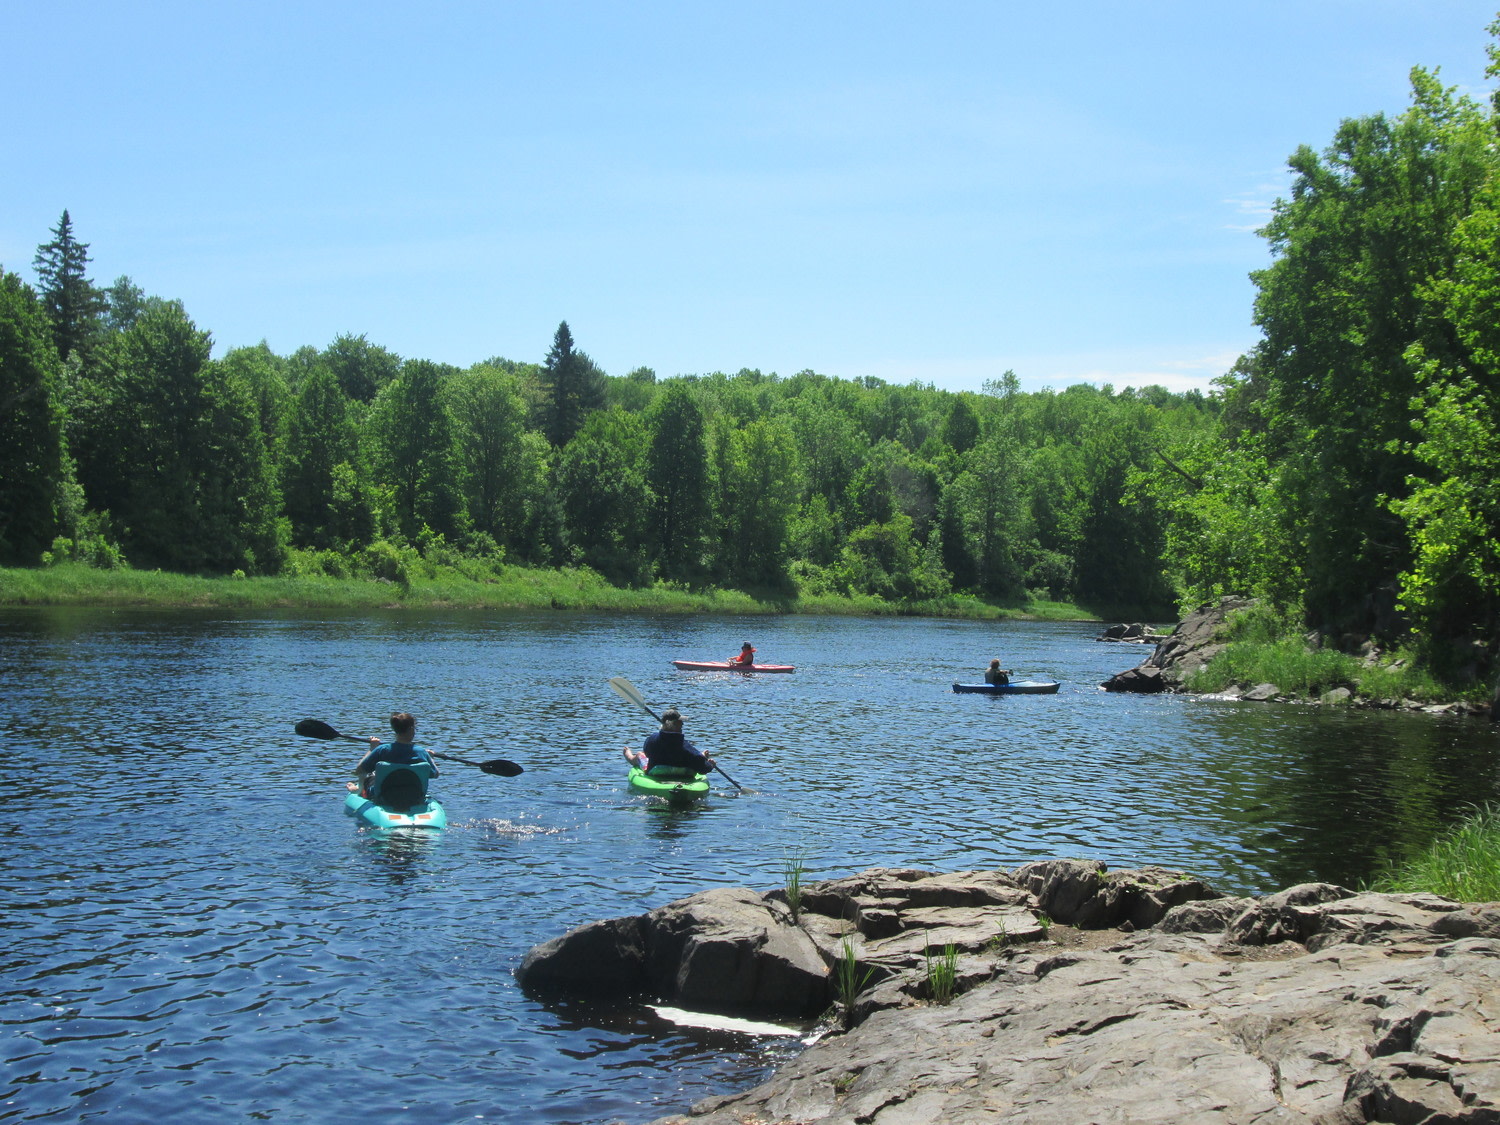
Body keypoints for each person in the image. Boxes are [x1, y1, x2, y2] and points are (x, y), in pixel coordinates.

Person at [353, 712, 440, 801]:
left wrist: (372, 749)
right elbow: (435, 774)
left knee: (370, 775)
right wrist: (431, 757)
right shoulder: (421, 752)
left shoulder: (382, 750)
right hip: (414, 797)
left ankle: (359, 790)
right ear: (411, 730)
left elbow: (359, 770)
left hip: (384, 796)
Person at [623, 708, 715, 776]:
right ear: (673, 724)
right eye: (680, 722)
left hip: (656, 772)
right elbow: (703, 769)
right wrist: (710, 765)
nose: (682, 724)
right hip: (680, 773)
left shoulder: (651, 739)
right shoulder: (685, 746)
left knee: (640, 754)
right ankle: (701, 755)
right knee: (697, 756)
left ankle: (630, 757)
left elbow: (647, 752)